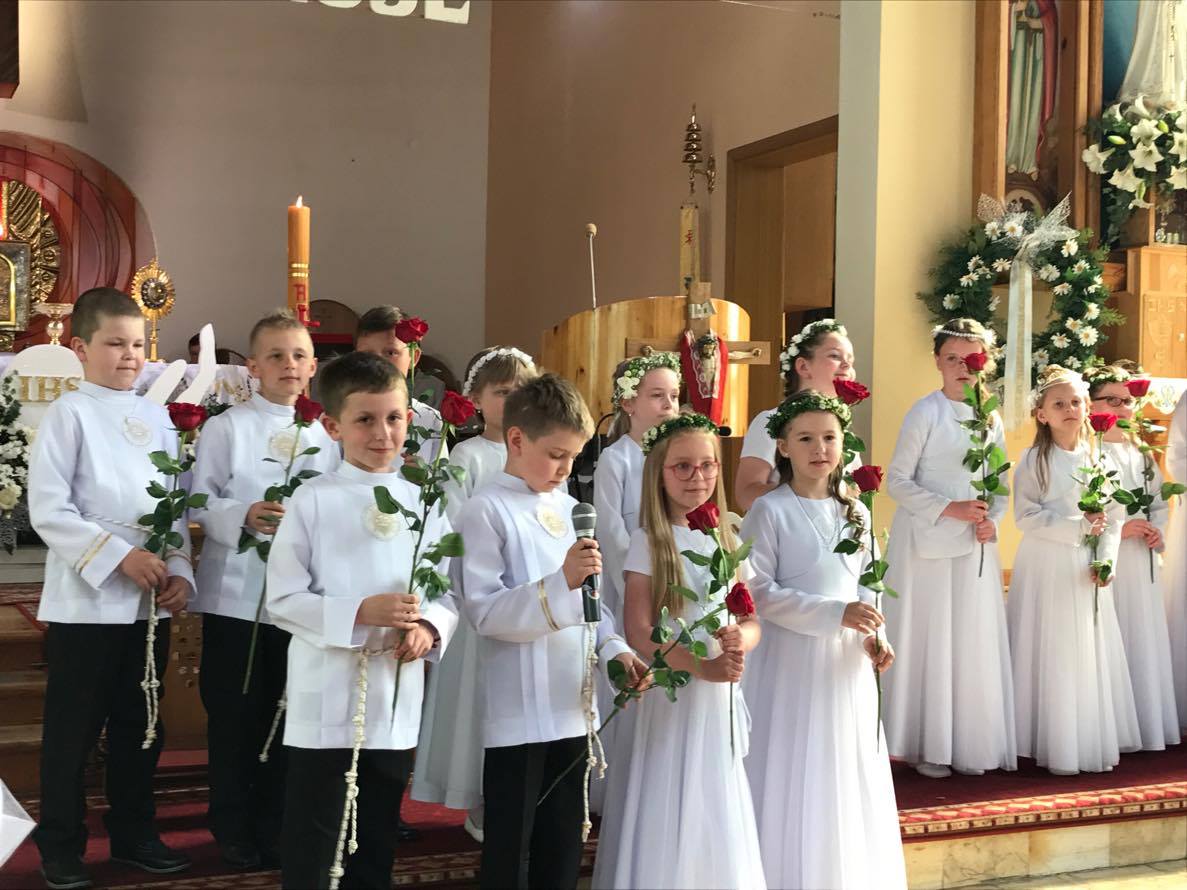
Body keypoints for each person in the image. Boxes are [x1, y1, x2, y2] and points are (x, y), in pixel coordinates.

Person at [266, 351, 459, 888]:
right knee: (316, 831)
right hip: (327, 689)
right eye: (365, 420)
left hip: (394, 689)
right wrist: (358, 611)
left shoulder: (424, 502)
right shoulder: (312, 499)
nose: (382, 433)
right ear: (333, 427)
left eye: (394, 418)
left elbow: (444, 587)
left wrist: (429, 627)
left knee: (376, 831)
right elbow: (282, 598)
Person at [29, 287, 196, 889]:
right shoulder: (67, 414)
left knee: (141, 724)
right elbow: (49, 510)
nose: (130, 355)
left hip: (148, 601)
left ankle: (133, 832)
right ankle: (61, 844)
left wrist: (179, 567)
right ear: (80, 348)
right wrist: (121, 557)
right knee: (73, 730)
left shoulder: (157, 417)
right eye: (115, 344)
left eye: (137, 344)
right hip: (87, 599)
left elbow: (175, 504)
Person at [458, 373, 648, 889]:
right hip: (518, 711)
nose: (566, 469)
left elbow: (593, 604)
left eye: (574, 457)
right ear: (517, 439)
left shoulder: (570, 510)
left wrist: (614, 648)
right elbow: (485, 613)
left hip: (572, 706)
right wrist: (559, 581)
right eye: (556, 455)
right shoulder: (485, 510)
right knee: (511, 849)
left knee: (563, 844)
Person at [189, 309, 340, 868]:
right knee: (236, 716)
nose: (288, 365)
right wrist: (243, 514)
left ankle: (277, 823)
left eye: (299, 355)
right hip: (238, 597)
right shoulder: (226, 428)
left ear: (314, 366)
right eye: (275, 355)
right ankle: (231, 824)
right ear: (252, 366)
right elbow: (198, 499)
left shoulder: (329, 433)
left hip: (301, 603)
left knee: (287, 714)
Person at [592, 413, 765, 889]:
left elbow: (752, 619)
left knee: (714, 796)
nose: (697, 477)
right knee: (669, 793)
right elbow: (639, 629)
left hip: (718, 696)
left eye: (707, 465)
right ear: (659, 473)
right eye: (682, 467)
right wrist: (701, 666)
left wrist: (741, 640)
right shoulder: (648, 542)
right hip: (675, 695)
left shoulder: (727, 539)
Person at [741, 390, 905, 890]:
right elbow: (758, 591)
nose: (820, 449)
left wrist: (875, 633)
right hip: (792, 659)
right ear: (783, 446)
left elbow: (868, 582)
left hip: (845, 663)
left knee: (843, 767)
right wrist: (834, 614)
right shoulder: (769, 510)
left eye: (829, 438)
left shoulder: (855, 511)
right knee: (795, 763)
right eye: (806, 438)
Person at [411, 346, 538, 843]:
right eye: (502, 392)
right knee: (480, 699)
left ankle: (517, 794)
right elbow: (453, 528)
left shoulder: (537, 454)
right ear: (477, 400)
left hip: (528, 594)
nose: (513, 400)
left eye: (521, 391)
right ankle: (479, 796)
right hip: (481, 595)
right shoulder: (467, 456)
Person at [882, 319, 1017, 778]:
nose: (963, 367)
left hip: (974, 546)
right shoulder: (926, 412)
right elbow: (897, 481)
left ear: (985, 363)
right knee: (934, 638)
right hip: (927, 543)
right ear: (938, 361)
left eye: (971, 359)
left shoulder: (990, 418)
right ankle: (930, 743)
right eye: (953, 358)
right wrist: (949, 508)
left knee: (970, 638)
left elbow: (999, 484)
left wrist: (992, 520)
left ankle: (970, 741)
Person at [1008, 365, 1140, 775]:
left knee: (1083, 644)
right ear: (1042, 414)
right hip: (1047, 563)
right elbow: (1026, 516)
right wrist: (1075, 527)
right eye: (1059, 404)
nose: (1069, 409)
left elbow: (1114, 516)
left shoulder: (1099, 456)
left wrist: (1108, 558)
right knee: (1051, 643)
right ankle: (1047, 737)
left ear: (1087, 408)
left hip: (1086, 565)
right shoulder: (1034, 460)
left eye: (1076, 402)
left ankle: (1083, 736)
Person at [1086, 364, 1180, 750]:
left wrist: (1156, 529)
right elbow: (1083, 508)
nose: (1123, 408)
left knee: (1140, 634)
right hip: (1108, 558)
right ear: (1090, 405)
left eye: (1127, 401)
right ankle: (1108, 726)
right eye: (1112, 400)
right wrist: (1119, 529)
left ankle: (1142, 720)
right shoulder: (1088, 452)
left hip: (1141, 560)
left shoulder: (1140, 454)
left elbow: (1157, 503)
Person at [734, 318, 859, 511]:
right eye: (835, 356)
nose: (846, 366)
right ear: (803, 367)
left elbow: (854, 493)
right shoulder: (770, 420)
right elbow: (747, 495)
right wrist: (812, 491)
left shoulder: (842, 429)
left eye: (850, 361)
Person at [355, 305, 445, 467]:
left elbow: (441, 478)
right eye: (367, 355)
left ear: (414, 357)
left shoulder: (430, 418)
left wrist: (423, 475)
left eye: (390, 353)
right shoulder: (341, 414)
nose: (378, 363)